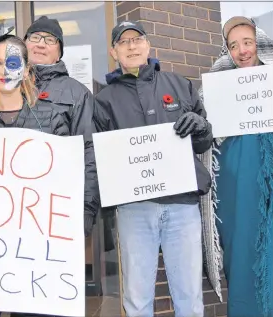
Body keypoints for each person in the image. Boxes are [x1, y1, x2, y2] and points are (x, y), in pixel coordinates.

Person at [93, 21, 213, 317]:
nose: (132, 46)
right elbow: (99, 158)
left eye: (137, 39)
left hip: (183, 206)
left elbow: (203, 142)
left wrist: (201, 127)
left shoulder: (179, 85)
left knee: (189, 297)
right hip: (135, 209)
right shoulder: (103, 101)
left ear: (148, 45)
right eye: (124, 42)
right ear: (114, 51)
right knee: (136, 299)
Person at [0, 5, 69, 316]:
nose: (4, 69)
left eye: (11, 61)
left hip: (36, 252)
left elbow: (65, 183)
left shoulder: (52, 120)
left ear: (24, 68)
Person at [0, 8, 99, 238]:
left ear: (60, 52)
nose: (41, 44)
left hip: (44, 215)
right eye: (34, 37)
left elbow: (87, 151)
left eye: (50, 40)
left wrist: (86, 208)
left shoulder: (76, 93)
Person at [199, 16, 273, 317]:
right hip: (236, 194)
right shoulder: (213, 92)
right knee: (242, 260)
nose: (242, 51)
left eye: (248, 42)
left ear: (261, 44)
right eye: (233, 45)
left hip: (269, 188)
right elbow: (204, 141)